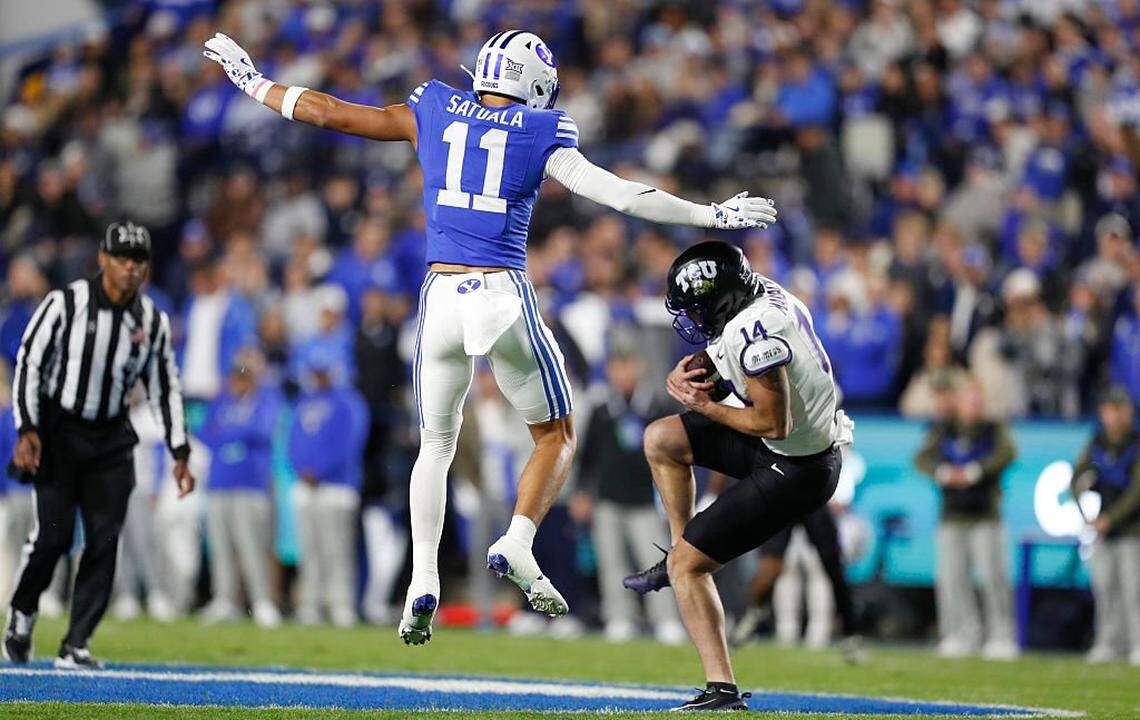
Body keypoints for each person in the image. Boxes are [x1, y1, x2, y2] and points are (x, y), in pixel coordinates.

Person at [203, 30, 778, 644]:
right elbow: (619, 194)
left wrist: (254, 82)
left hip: (440, 297)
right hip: (501, 293)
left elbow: (333, 112)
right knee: (555, 435)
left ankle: (423, 577)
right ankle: (520, 539)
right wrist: (710, 215)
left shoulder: (432, 105)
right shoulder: (542, 130)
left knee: (435, 446)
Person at [623, 242, 854, 711]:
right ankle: (678, 547)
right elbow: (728, 351)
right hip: (784, 448)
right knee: (661, 439)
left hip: (798, 467)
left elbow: (774, 423)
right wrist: (698, 369)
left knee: (689, 567)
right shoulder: (759, 295)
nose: (691, 318)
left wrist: (706, 404)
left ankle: (722, 689)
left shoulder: (756, 331)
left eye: (696, 308)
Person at [3, 221, 194, 669]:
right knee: (54, 537)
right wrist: (28, 427)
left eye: (138, 261)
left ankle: (76, 641)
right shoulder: (65, 304)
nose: (130, 268)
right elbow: (29, 362)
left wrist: (180, 451)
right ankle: (23, 610)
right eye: (122, 259)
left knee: (106, 539)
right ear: (103, 259)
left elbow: (165, 387)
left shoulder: (152, 320)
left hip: (111, 436)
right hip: (61, 431)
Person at [572, 342, 685, 645]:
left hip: (645, 500)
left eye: (628, 366)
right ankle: (619, 616)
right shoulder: (602, 410)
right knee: (611, 562)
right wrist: (582, 492)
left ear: (640, 367)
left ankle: (666, 619)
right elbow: (588, 457)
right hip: (607, 498)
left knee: (654, 561)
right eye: (617, 367)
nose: (622, 373)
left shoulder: (655, 407)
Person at [914, 378, 1019, 660]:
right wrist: (943, 472)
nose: (974, 406)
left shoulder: (992, 429)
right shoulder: (944, 428)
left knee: (994, 578)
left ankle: (1001, 636)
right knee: (952, 579)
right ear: (959, 402)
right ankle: (959, 634)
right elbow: (921, 458)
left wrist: (976, 471)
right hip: (952, 515)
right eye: (969, 400)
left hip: (985, 515)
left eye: (977, 400)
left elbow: (1008, 453)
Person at [198, 350, 283, 628]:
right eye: (236, 376)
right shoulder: (223, 402)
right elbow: (206, 433)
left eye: (245, 376)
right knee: (221, 545)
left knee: (252, 546)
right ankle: (224, 600)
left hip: (251, 482)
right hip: (221, 480)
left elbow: (262, 431)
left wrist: (230, 433)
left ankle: (262, 602)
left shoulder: (265, 400)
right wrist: (235, 433)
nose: (239, 381)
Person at [288, 345, 369, 628]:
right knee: (309, 549)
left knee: (337, 550)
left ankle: (341, 605)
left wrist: (319, 470)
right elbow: (293, 441)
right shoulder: (303, 402)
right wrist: (301, 469)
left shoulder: (350, 403)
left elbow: (348, 444)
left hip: (337, 486)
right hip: (307, 486)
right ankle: (310, 605)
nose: (319, 377)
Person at [1071, 387, 1140, 666]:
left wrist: (1110, 519)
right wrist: (1085, 512)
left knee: (1133, 588)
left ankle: (1136, 642)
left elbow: (1137, 491)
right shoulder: (1097, 442)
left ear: (1128, 412)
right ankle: (1109, 641)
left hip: (1133, 528)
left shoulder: (1136, 443)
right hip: (1102, 527)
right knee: (1104, 586)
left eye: (1119, 409)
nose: (1113, 416)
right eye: (1109, 410)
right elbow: (1076, 477)